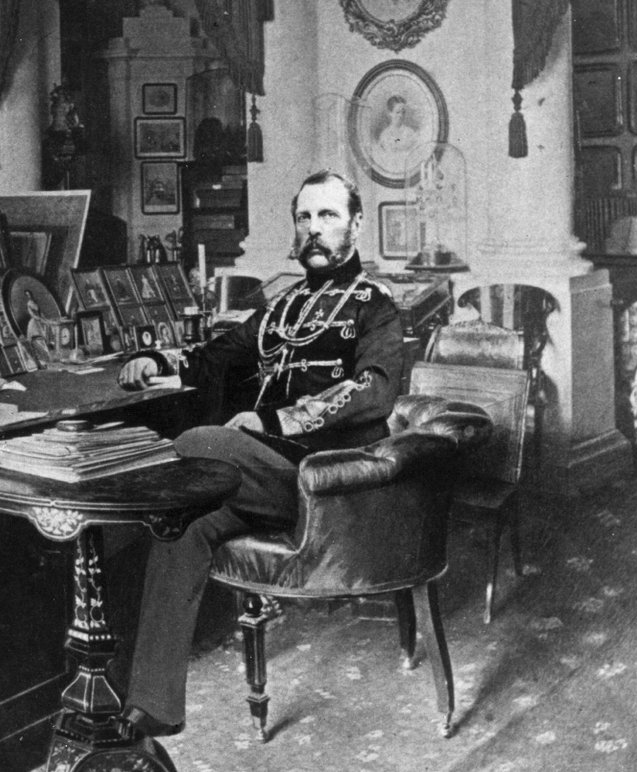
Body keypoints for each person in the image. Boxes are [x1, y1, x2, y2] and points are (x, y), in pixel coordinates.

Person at [114, 170, 403, 737]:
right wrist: (158, 361)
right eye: (304, 217)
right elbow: (217, 356)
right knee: (182, 525)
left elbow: (374, 389)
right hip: (265, 476)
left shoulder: (376, 306)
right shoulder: (282, 306)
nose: (314, 229)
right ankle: (152, 705)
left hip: (327, 483)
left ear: (356, 226)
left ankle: (131, 506)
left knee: (197, 443)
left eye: (328, 216)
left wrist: (271, 420)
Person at [375, 95, 418, 163]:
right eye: (397, 112)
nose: (401, 115)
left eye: (403, 112)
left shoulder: (410, 133)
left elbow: (415, 155)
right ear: (390, 113)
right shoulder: (384, 135)